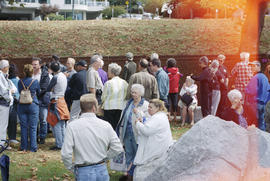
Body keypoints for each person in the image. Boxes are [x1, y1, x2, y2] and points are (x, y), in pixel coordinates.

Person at [61, 94, 123, 181]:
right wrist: (106, 157)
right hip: (101, 168)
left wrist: (70, 167)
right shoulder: (105, 125)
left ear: (81, 107)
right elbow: (117, 147)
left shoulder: (72, 126)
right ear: (94, 108)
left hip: (84, 169)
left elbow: (66, 153)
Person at [133, 99, 173, 181]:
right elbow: (150, 124)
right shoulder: (160, 116)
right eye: (148, 107)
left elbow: (147, 130)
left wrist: (137, 123)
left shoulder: (158, 118)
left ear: (157, 108)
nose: (148, 109)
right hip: (159, 147)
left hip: (156, 149)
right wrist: (143, 120)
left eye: (151, 107)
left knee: (145, 170)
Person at [117, 84, 149, 180]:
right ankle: (129, 175)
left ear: (140, 93)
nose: (133, 94)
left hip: (138, 134)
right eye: (132, 92)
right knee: (129, 154)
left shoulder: (145, 105)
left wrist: (139, 113)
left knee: (138, 154)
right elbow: (123, 118)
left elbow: (147, 119)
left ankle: (137, 174)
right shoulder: (128, 103)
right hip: (127, 133)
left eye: (135, 92)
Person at [46, 61, 69, 150]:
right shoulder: (63, 75)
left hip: (55, 101)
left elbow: (48, 88)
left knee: (56, 124)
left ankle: (59, 144)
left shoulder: (55, 77)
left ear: (51, 69)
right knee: (62, 124)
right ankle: (64, 142)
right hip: (62, 99)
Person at [17, 64, 40, 152]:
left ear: (24, 72)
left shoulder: (20, 82)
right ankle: (33, 147)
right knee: (33, 127)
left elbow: (19, 91)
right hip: (33, 104)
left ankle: (24, 146)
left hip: (22, 104)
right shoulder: (35, 81)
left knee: (23, 126)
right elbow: (38, 91)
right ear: (32, 72)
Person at [101, 63, 128, 130]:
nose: (107, 73)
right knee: (117, 126)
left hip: (109, 107)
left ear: (112, 72)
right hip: (120, 107)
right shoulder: (124, 83)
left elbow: (103, 97)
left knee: (109, 127)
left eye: (108, 71)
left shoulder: (108, 83)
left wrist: (102, 104)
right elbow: (126, 95)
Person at [245, 61, 270, 130]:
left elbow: (251, 91)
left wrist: (246, 88)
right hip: (263, 104)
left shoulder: (256, 77)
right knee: (261, 123)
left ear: (258, 67)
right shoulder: (264, 77)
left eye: (253, 66)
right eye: (251, 66)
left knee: (253, 124)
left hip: (255, 103)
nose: (251, 68)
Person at [32, 57, 51, 144]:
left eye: (35, 64)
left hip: (43, 100)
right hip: (33, 101)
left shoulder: (44, 74)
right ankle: (35, 137)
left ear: (40, 65)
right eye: (32, 64)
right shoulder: (30, 74)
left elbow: (45, 88)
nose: (33, 66)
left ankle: (42, 137)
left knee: (43, 120)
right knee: (35, 120)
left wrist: (36, 94)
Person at [0, 60, 16, 146]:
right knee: (3, 124)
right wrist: (10, 93)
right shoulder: (1, 76)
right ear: (5, 67)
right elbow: (3, 90)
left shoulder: (4, 76)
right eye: (8, 66)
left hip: (3, 102)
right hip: (3, 103)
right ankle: (1, 143)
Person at [8, 63, 20, 145]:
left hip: (7, 101)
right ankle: (12, 137)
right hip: (15, 101)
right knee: (13, 120)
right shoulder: (17, 80)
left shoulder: (5, 79)